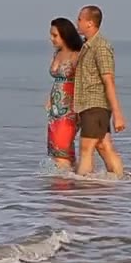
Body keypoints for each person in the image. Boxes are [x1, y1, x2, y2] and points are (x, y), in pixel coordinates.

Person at [73, 5, 126, 178]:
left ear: (89, 23)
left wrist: (117, 114)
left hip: (96, 105)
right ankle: (120, 180)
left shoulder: (101, 46)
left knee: (86, 148)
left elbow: (108, 80)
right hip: (87, 105)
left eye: (80, 19)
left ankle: (82, 188)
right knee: (104, 146)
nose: (77, 22)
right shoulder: (87, 46)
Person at [45, 17, 84, 170]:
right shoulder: (57, 54)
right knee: (55, 146)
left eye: (55, 35)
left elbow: (81, 81)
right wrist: (50, 98)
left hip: (69, 106)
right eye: (51, 35)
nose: (51, 39)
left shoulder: (76, 55)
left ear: (65, 35)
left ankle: (65, 186)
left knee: (63, 145)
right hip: (55, 108)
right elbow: (58, 80)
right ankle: (70, 180)